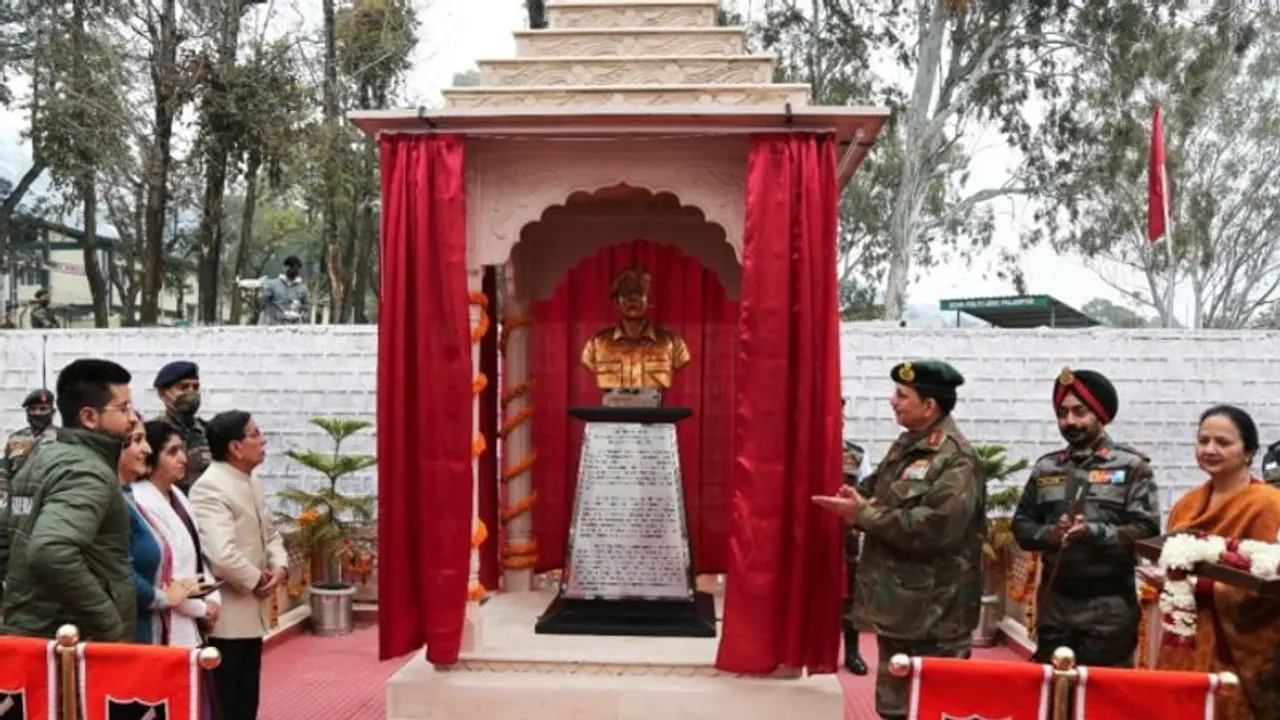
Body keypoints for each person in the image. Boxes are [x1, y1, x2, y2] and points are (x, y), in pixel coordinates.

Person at [812, 360, 985, 720]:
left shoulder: (956, 459)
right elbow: (872, 492)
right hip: (899, 611)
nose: (893, 401)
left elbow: (935, 528)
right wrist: (853, 500)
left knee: (934, 710)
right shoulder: (906, 447)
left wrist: (863, 514)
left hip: (937, 618)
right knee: (893, 709)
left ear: (929, 406)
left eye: (901, 395)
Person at [1011, 367, 1161, 667]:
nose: (1070, 422)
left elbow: (1146, 532)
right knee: (1052, 700)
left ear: (1100, 414)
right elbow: (1021, 526)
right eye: (1063, 413)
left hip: (1109, 609)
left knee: (1101, 703)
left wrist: (1094, 532)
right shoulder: (1047, 468)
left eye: (1080, 412)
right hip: (1055, 605)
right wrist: (1051, 534)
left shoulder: (1131, 467)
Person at [1152, 405, 1280, 720]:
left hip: (1238, 646)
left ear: (1248, 452)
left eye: (1223, 443)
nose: (1210, 449)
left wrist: (1202, 584)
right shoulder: (1188, 504)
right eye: (1203, 440)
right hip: (1185, 638)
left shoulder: (1267, 504)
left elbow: (1269, 585)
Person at [0, 359, 137, 641]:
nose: (132, 418)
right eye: (123, 409)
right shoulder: (86, 471)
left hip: (30, 634)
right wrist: (109, 622)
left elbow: (6, 542)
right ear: (89, 417)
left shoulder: (39, 458)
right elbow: (51, 549)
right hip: (72, 644)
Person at [190, 410, 288, 720]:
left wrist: (281, 567)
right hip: (227, 620)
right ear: (234, 446)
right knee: (227, 705)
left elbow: (270, 532)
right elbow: (222, 555)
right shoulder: (211, 487)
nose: (263, 439)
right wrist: (259, 580)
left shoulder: (251, 480)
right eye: (255, 433)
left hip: (252, 614)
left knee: (247, 702)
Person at [579, 265, 691, 391]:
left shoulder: (673, 343)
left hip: (654, 409)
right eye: (626, 293)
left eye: (639, 293)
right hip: (612, 409)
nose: (632, 299)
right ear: (616, 302)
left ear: (650, 300)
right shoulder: (596, 344)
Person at [840, 396, 870, 675]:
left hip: (845, 535)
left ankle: (852, 651)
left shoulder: (856, 455)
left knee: (849, 594)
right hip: (809, 534)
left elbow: (868, 495)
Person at [153, 361, 211, 493]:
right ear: (162, 393)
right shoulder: (153, 434)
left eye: (195, 387)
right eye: (184, 387)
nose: (191, 393)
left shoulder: (210, 432)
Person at [1, 389, 58, 513]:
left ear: (52, 412)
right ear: (27, 412)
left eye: (43, 409)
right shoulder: (16, 438)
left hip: (47, 505)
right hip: (18, 507)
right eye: (33, 409)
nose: (37, 413)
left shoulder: (61, 439)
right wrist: (2, 504)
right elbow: (4, 473)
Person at [261, 256, 309, 325]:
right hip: (273, 326)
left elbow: (305, 308)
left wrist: (300, 317)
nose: (294, 271)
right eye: (292, 268)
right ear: (285, 268)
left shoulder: (303, 288)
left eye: (297, 269)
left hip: (293, 327)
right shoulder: (272, 284)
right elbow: (263, 303)